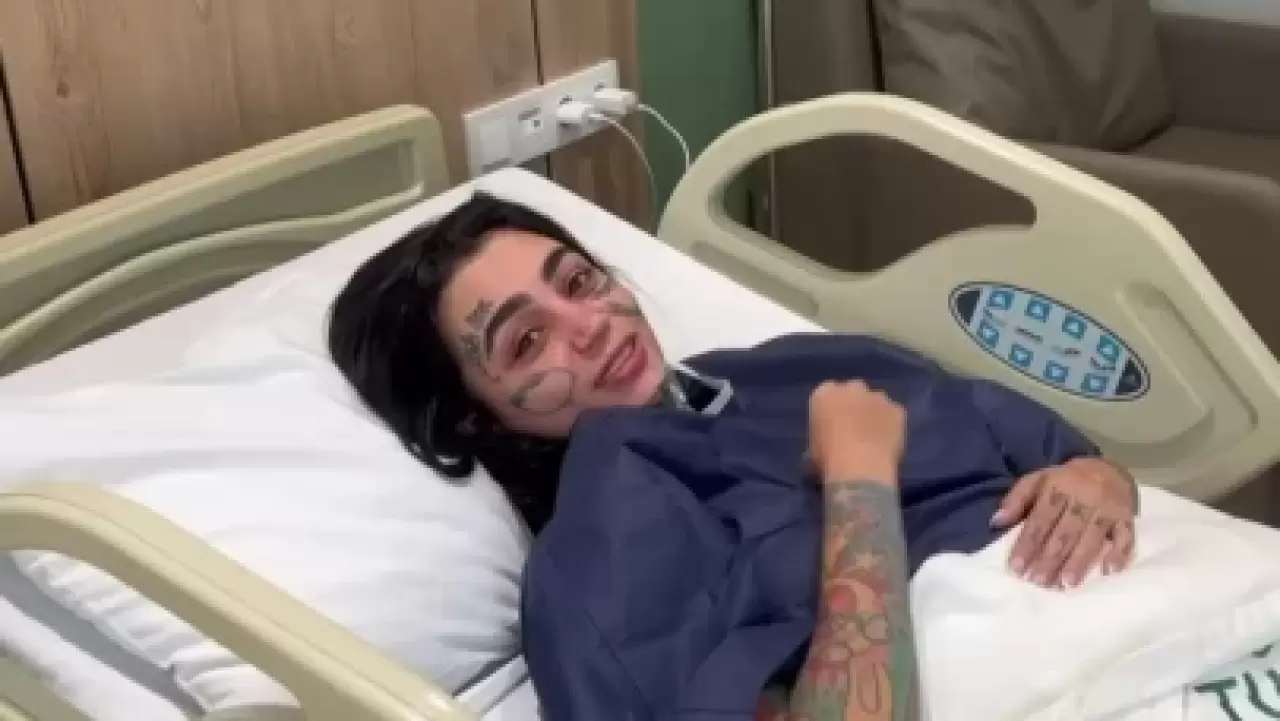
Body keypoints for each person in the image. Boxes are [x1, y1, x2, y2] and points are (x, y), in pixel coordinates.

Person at [327, 193, 1139, 721]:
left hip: (1157, 604)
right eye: (527, 340)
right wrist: (859, 473)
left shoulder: (787, 366)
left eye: (576, 281)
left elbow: (1052, 444)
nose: (590, 325)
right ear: (477, 416)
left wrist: (1095, 481)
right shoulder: (599, 556)